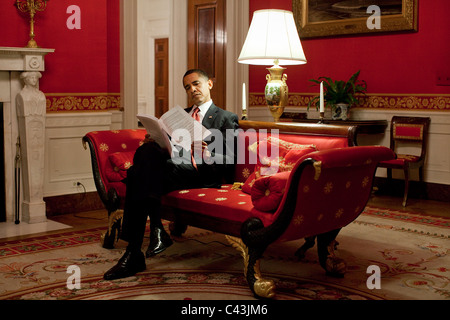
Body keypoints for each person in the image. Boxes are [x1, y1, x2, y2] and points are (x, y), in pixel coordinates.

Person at [104, 69, 239, 280]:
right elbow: (167, 149)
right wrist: (156, 139)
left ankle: (143, 243)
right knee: (146, 151)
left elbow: (229, 163)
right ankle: (140, 246)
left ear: (209, 84)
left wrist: (205, 152)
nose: (192, 89)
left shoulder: (226, 118)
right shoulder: (179, 117)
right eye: (187, 87)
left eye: (196, 84)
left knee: (135, 174)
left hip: (201, 173)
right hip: (172, 168)